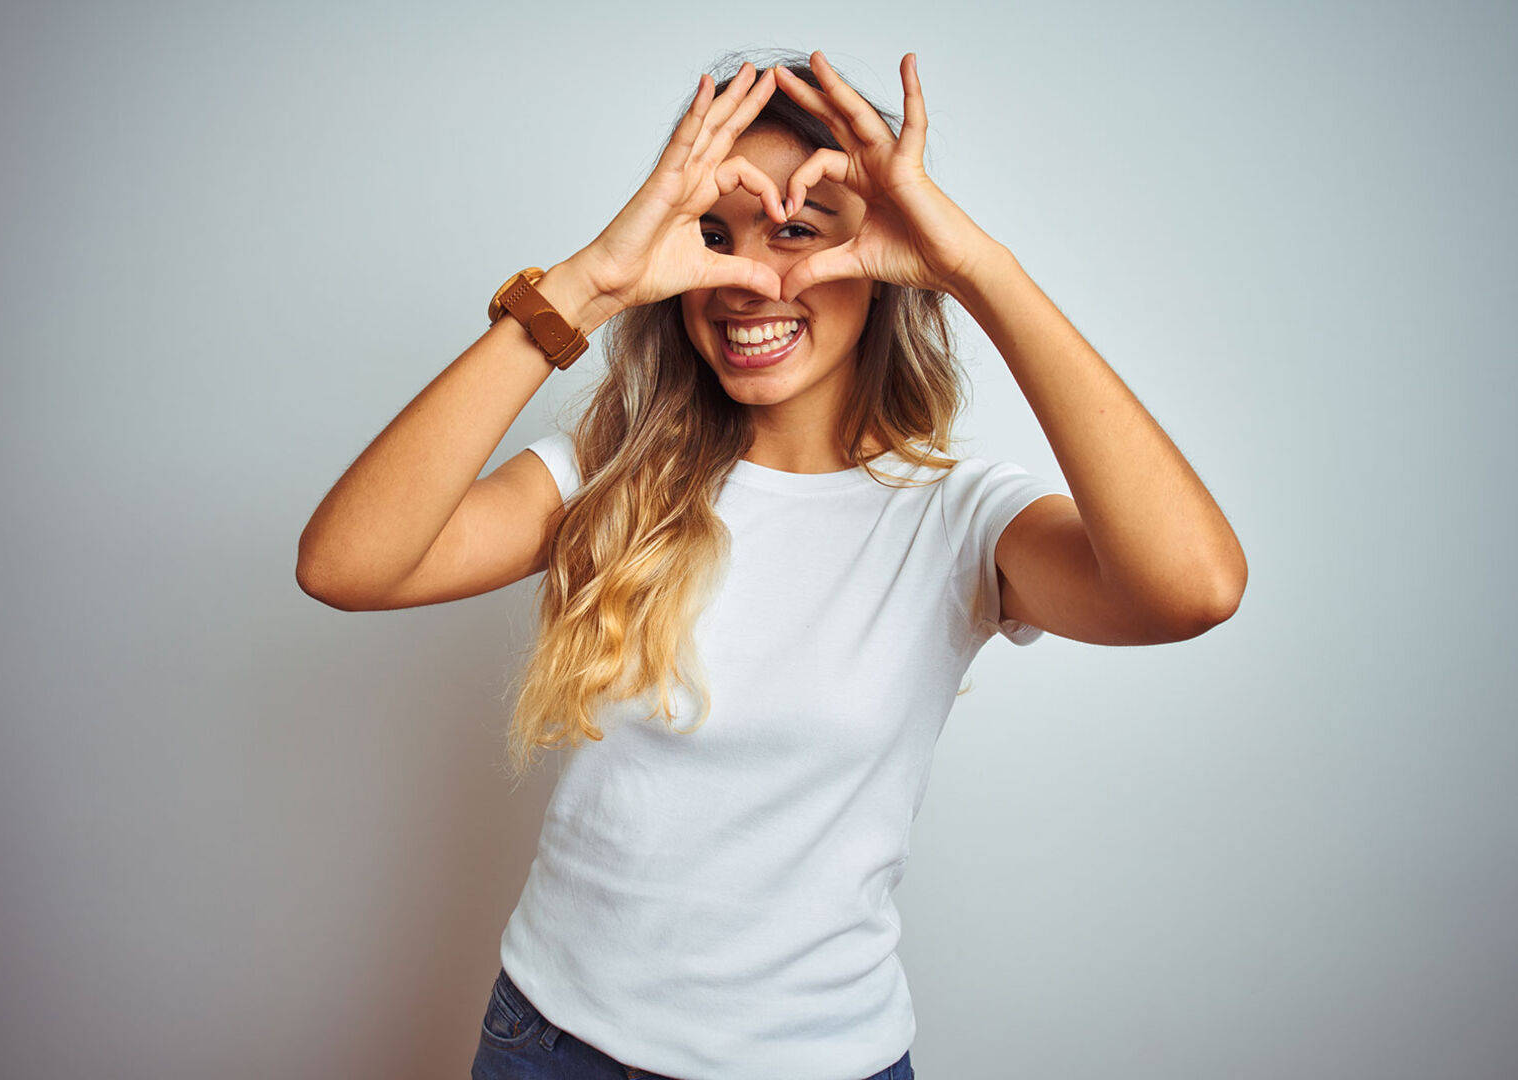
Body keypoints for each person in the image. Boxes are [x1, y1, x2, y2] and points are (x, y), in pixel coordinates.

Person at [296, 49, 1246, 1080]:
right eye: (714, 237)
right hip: (549, 1046)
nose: (749, 281)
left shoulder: (958, 518)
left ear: (885, 259)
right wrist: (586, 283)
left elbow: (1192, 588)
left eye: (795, 234)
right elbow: (346, 566)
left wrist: (978, 269)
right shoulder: (605, 474)